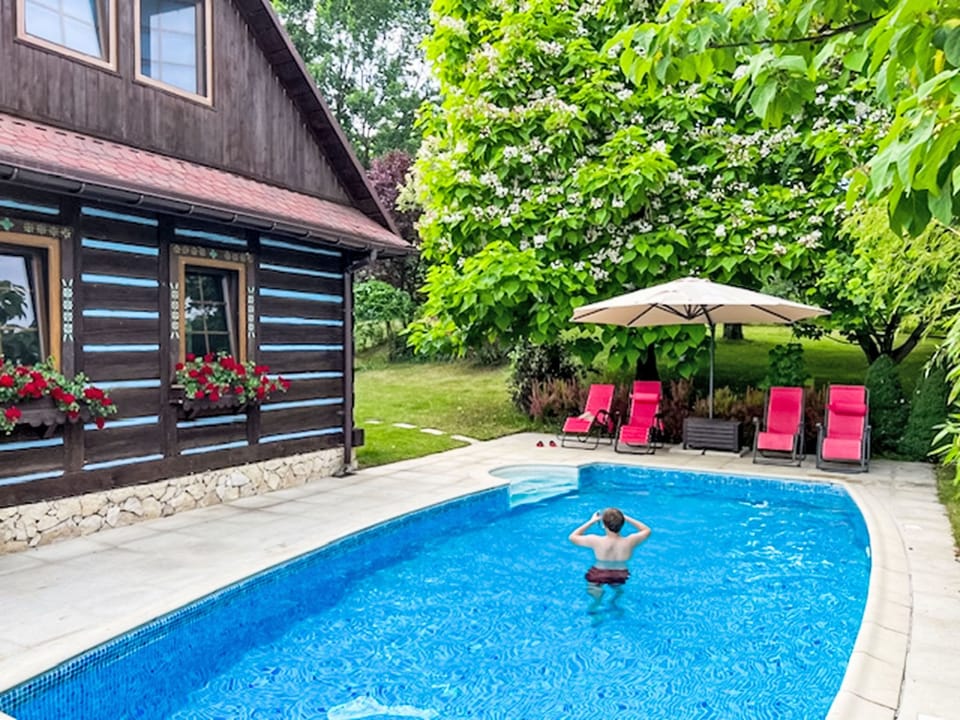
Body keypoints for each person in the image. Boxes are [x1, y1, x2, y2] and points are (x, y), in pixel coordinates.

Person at [568, 507, 651, 606]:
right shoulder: (630, 541)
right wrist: (626, 518)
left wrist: (592, 521)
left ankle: (596, 610)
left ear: (604, 525)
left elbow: (572, 537)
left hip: (598, 573)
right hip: (620, 574)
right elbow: (647, 530)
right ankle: (614, 603)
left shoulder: (596, 541)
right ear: (623, 523)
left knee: (596, 599)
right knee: (617, 591)